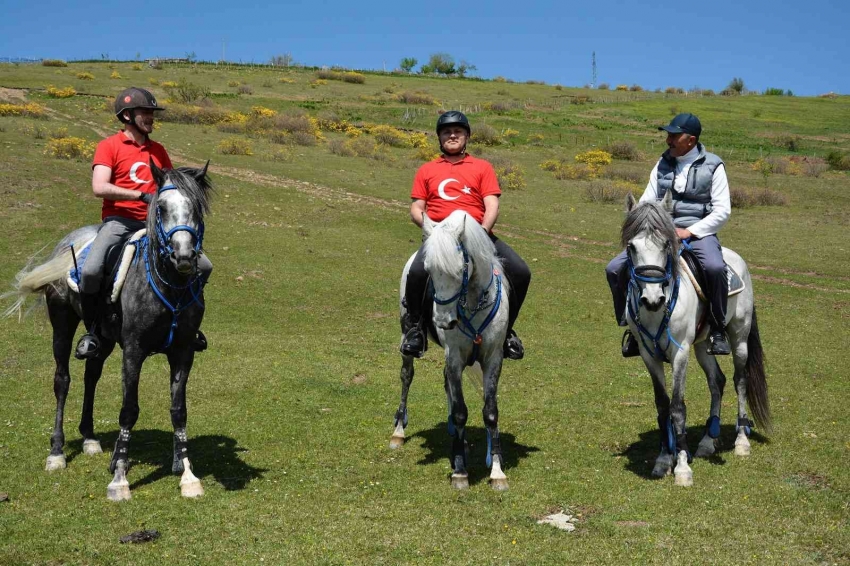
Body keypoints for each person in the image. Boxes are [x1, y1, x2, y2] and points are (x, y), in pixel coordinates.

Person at [74, 87, 211, 359]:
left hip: (155, 227)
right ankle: (92, 332)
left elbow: (171, 186)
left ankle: (187, 326)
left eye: (151, 113)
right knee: (91, 271)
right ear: (127, 115)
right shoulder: (109, 146)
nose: (150, 117)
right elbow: (99, 186)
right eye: (145, 112)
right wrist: (140, 195)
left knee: (204, 266)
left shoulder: (158, 150)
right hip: (119, 222)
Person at [400, 110, 531, 360]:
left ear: (467, 136)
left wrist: (480, 233)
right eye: (446, 132)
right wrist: (431, 228)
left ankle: (507, 332)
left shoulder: (482, 167)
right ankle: (416, 330)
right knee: (415, 273)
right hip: (439, 237)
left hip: (479, 236)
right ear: (439, 138)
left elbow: (491, 204)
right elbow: (417, 208)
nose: (452, 135)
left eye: (458, 131)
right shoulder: (427, 169)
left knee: (521, 271)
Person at [606, 112, 732, 357]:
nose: (669, 140)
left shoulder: (714, 166)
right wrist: (645, 223)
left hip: (698, 233)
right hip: (660, 233)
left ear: (691, 140)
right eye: (668, 135)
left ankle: (718, 329)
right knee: (613, 269)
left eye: (675, 136)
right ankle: (631, 326)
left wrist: (689, 230)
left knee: (715, 268)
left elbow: (722, 211)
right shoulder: (662, 162)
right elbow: (647, 200)